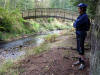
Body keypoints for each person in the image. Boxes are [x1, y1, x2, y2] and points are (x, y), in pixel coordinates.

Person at [72, 3, 90, 70]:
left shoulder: (84, 16)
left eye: (79, 8)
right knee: (79, 47)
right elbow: (74, 24)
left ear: (82, 9)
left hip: (81, 33)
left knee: (81, 48)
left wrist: (75, 23)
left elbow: (75, 24)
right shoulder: (81, 15)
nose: (78, 9)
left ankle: (83, 63)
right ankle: (80, 60)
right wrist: (75, 23)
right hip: (79, 33)